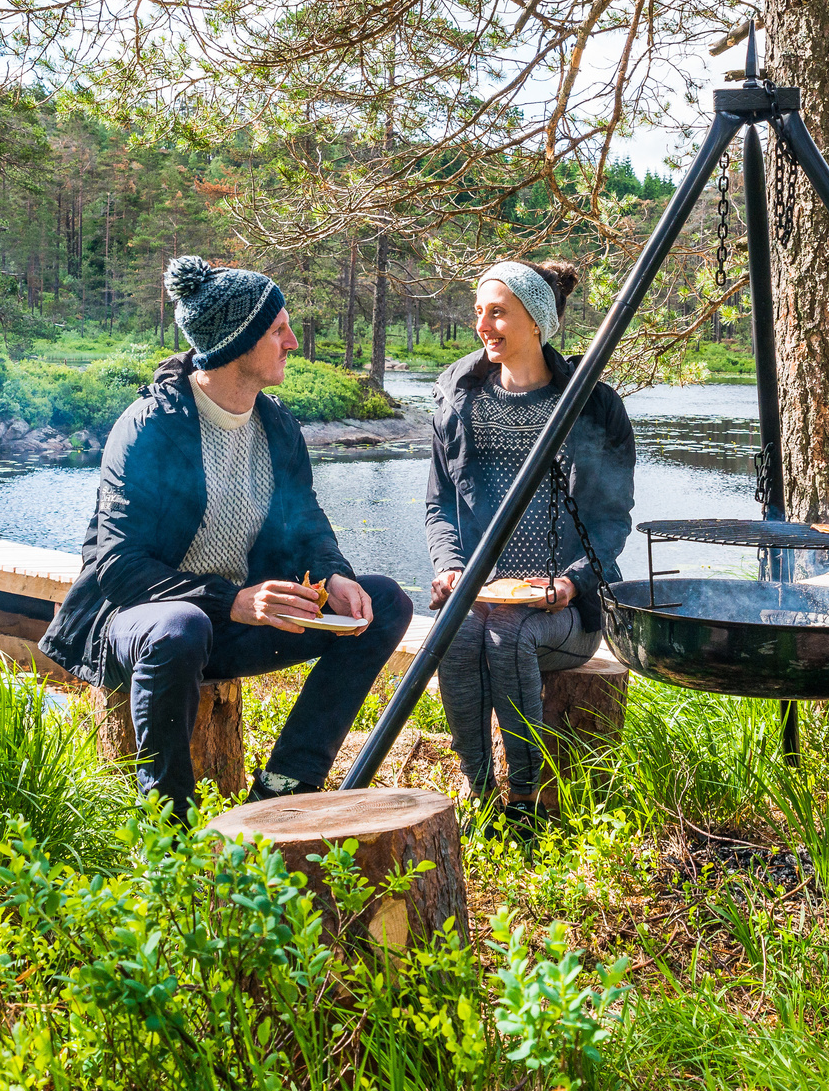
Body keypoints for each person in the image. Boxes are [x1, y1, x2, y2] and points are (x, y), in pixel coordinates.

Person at [41, 255, 417, 816]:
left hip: (236, 626)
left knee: (383, 602)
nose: (293, 341)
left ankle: (288, 783)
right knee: (181, 627)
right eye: (278, 329)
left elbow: (306, 522)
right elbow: (117, 567)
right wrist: (233, 601)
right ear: (238, 342)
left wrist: (333, 573)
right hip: (139, 625)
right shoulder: (149, 428)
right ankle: (170, 825)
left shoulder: (277, 425)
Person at [425, 260, 634, 822]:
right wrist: (449, 565)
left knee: (508, 636)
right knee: (460, 631)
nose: (483, 325)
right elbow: (438, 505)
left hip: (562, 609)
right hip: (483, 593)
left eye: (498, 312)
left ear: (538, 322)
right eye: (479, 312)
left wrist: (571, 580)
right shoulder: (459, 398)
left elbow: (612, 522)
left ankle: (524, 795)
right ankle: (476, 786)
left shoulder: (591, 406)